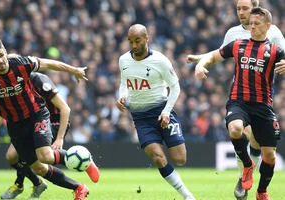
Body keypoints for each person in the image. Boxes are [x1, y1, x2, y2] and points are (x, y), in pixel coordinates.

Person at [186, 0, 285, 199]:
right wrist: (200, 60)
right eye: (238, 8)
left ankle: (257, 187)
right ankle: (243, 174)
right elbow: (220, 53)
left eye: (245, 8)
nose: (241, 12)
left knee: (260, 145)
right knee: (240, 130)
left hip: (263, 96)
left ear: (255, 8)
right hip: (239, 94)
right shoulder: (234, 36)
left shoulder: (272, 32)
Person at [0, 38, 98, 200]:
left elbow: (50, 64)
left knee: (46, 156)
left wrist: (73, 70)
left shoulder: (22, 64)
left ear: (6, 54)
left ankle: (85, 161)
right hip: (15, 126)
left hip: (36, 115)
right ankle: (79, 187)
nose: (0, 61)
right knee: (39, 168)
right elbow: (0, 114)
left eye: (1, 55)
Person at [116, 24, 195, 200]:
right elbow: (124, 81)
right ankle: (187, 195)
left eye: (137, 41)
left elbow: (175, 87)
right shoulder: (123, 60)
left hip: (162, 112)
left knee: (180, 159)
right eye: (130, 41)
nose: (134, 45)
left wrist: (167, 111)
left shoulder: (160, 61)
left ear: (146, 39)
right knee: (158, 158)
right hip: (141, 117)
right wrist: (122, 95)